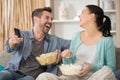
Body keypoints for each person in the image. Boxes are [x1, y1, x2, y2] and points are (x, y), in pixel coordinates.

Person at [36, 5, 116, 80]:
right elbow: (69, 64)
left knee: (107, 71)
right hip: (74, 77)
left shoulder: (107, 40)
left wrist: (92, 67)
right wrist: (66, 57)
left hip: (95, 77)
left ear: (91, 16)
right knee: (43, 76)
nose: (79, 16)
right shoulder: (76, 36)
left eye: (82, 12)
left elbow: (111, 68)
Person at [0, 7, 70, 80]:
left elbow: (74, 43)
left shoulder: (54, 40)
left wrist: (62, 53)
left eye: (51, 19)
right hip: (13, 71)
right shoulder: (23, 35)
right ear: (36, 19)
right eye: (47, 18)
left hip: (31, 77)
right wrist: (11, 42)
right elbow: (8, 48)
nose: (50, 21)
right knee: (2, 75)